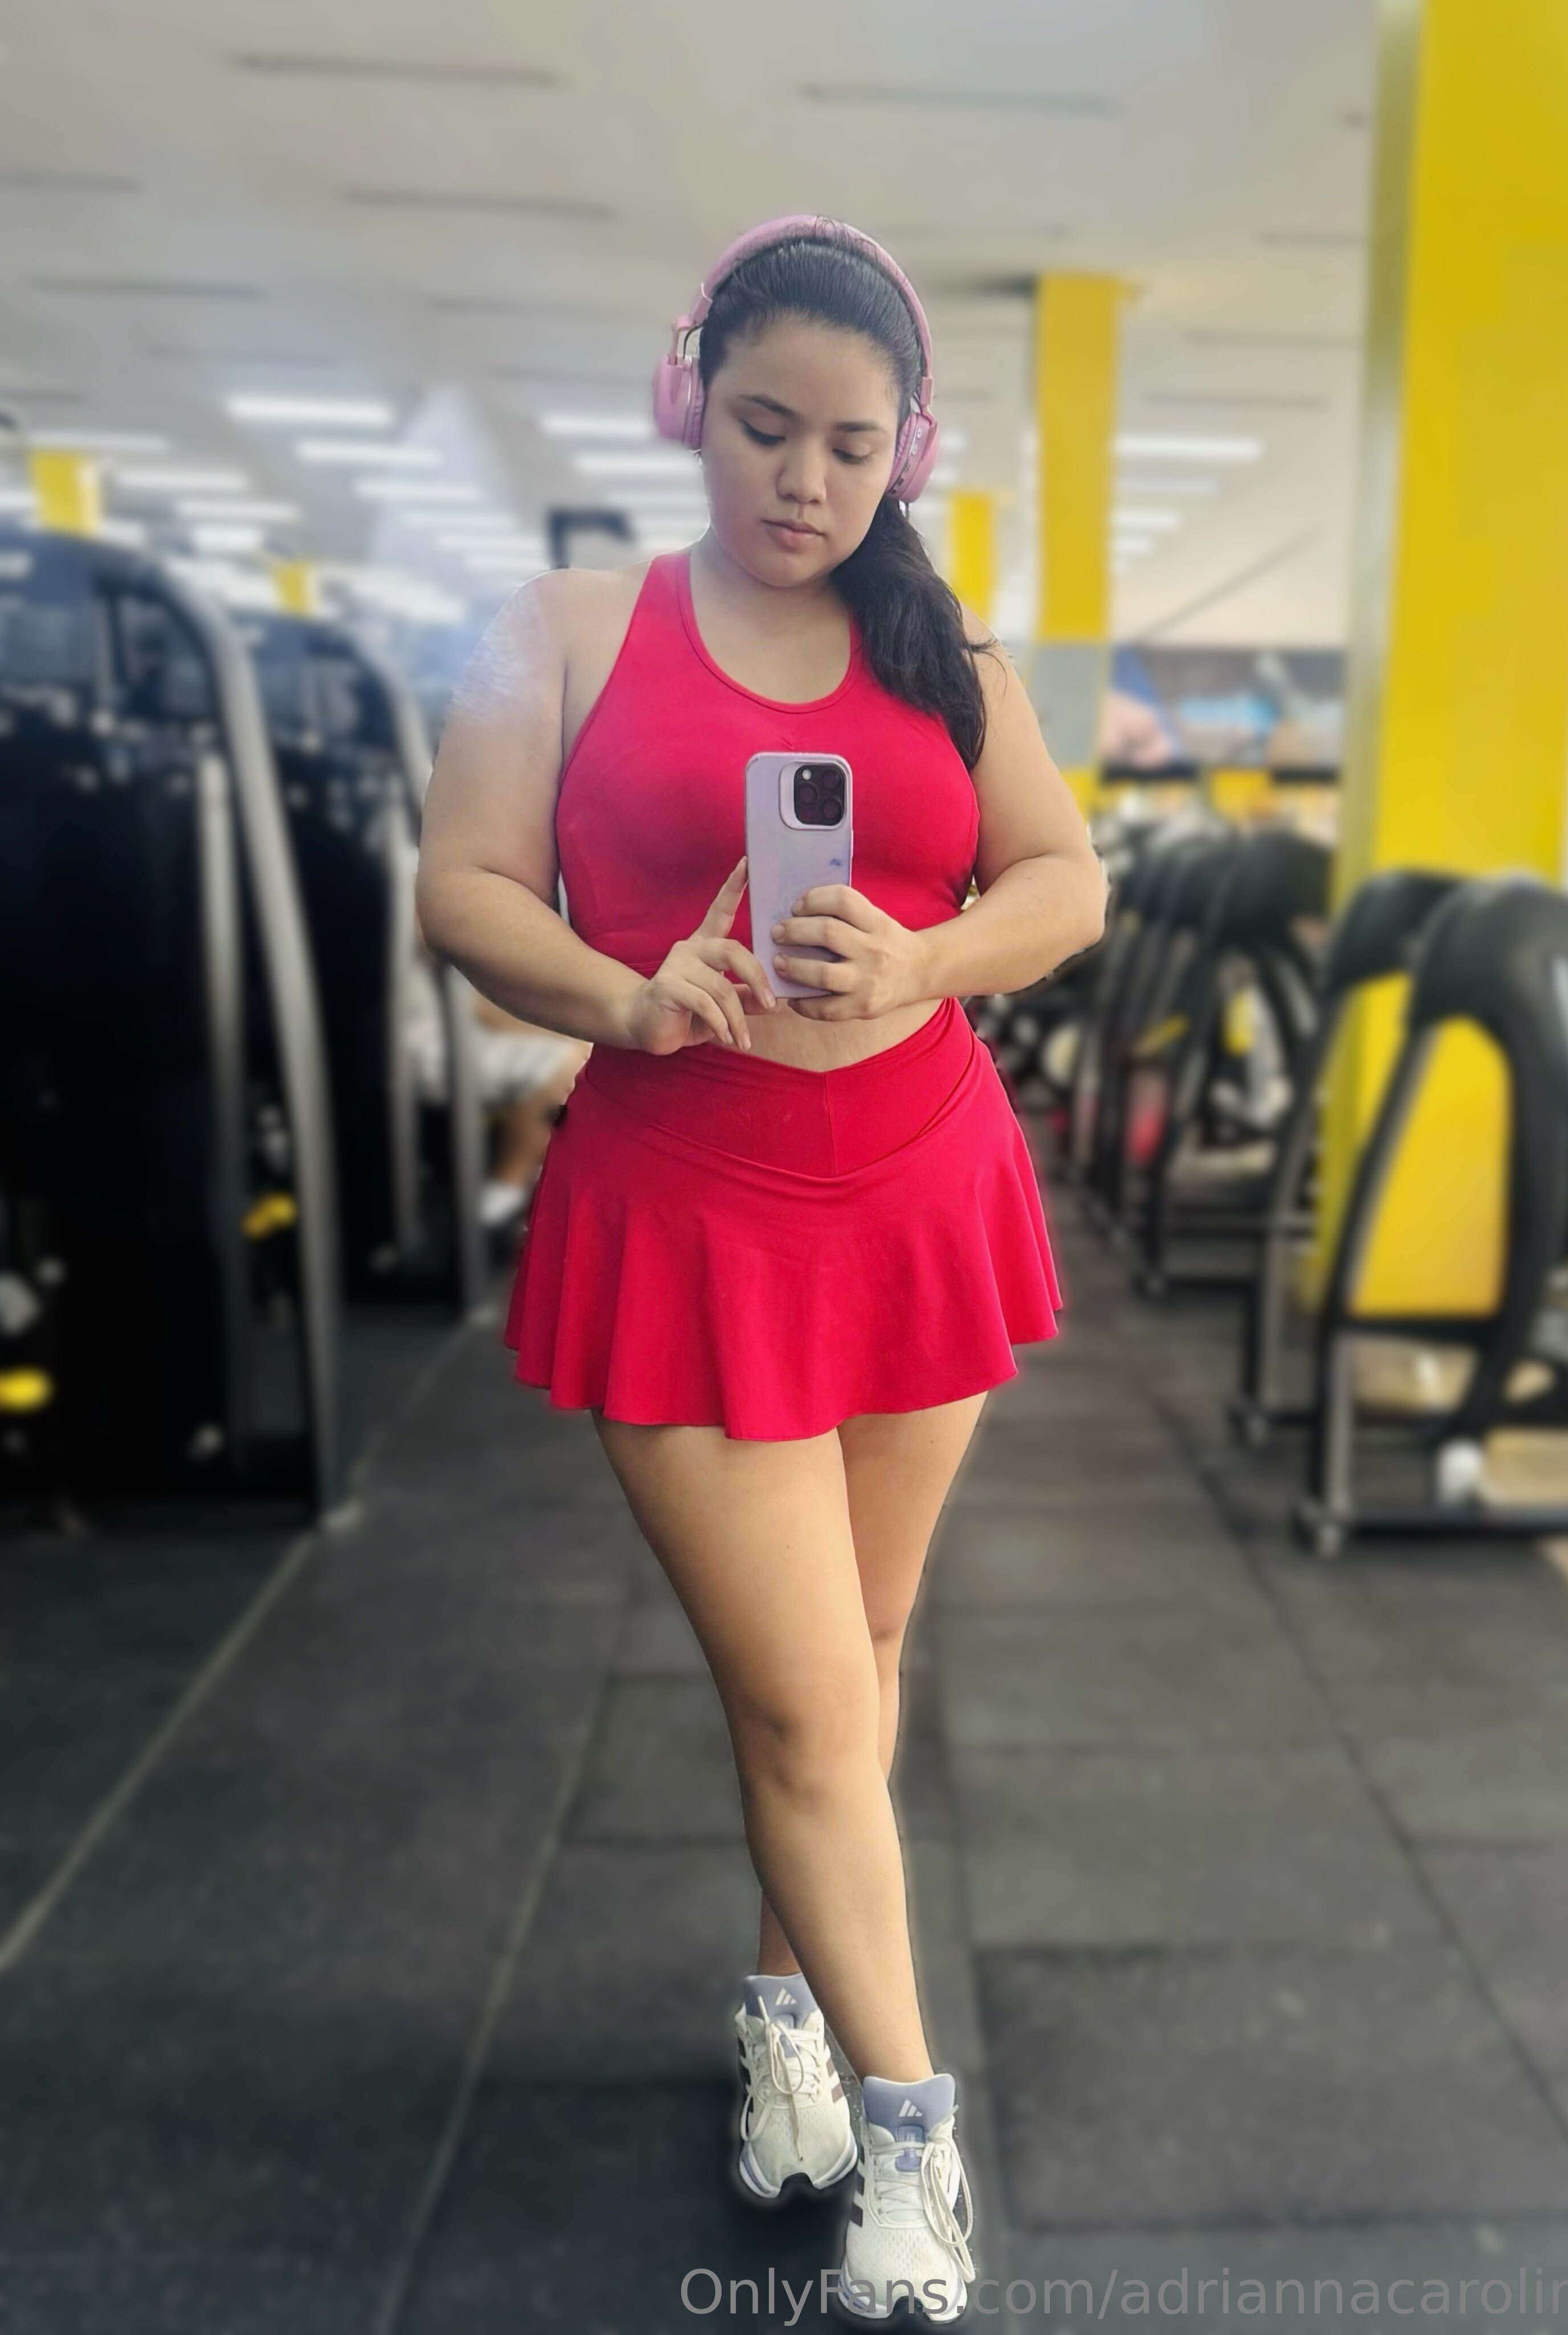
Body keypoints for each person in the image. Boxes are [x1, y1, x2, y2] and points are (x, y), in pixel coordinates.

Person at [416, 216, 1106, 2326]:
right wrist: (625, 996)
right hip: (686, 1208)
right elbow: (464, 884)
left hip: (920, 1185)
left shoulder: (942, 654)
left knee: (861, 1653)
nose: (802, 480)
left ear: (910, 452)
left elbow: (1064, 878)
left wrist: (923, 953)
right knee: (806, 1697)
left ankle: (789, 2015)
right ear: (685, 403)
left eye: (850, 446)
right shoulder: (559, 627)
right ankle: (913, 2128)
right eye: (761, 426)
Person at [404, 941, 590, 1227]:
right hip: (433, 1044)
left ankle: (523, 1186)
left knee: (570, 1062)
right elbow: (479, 1009)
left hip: (466, 1028)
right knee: (559, 1065)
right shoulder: (439, 949)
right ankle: (509, 1192)